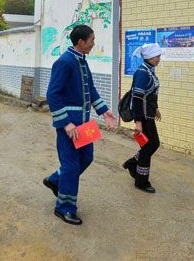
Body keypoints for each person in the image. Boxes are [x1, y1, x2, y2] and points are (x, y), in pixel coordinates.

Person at [42, 24, 117, 225]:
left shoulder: (82, 61)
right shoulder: (64, 62)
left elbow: (90, 89)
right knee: (71, 165)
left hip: (84, 124)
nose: (93, 44)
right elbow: (52, 95)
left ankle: (55, 180)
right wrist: (66, 124)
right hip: (70, 127)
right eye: (92, 40)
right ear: (81, 41)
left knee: (87, 158)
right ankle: (64, 207)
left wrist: (104, 111)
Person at [122, 43, 162, 193]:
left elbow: (151, 94)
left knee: (151, 145)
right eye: (157, 56)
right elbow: (137, 98)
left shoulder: (149, 70)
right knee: (150, 146)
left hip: (149, 114)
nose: (158, 59)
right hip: (143, 116)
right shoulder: (142, 73)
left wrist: (156, 108)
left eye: (159, 56)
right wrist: (138, 122)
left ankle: (133, 164)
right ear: (149, 56)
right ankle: (141, 181)